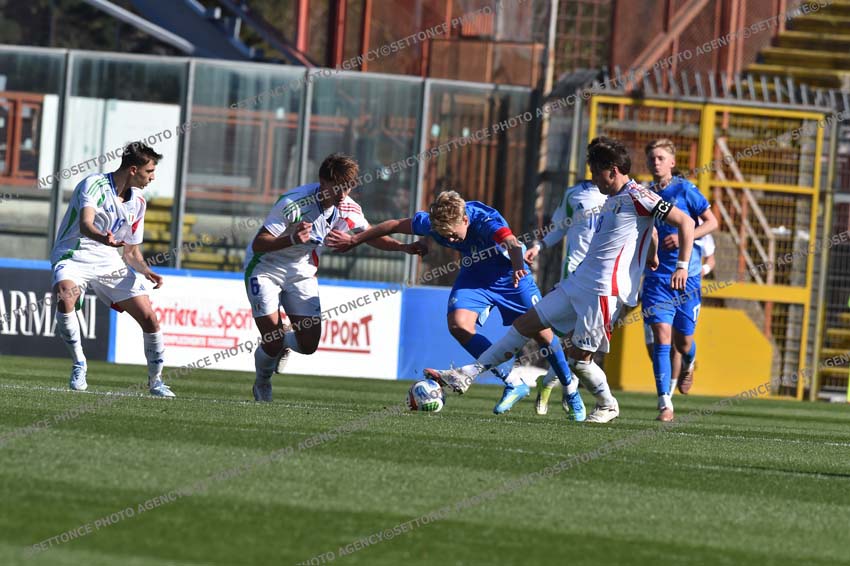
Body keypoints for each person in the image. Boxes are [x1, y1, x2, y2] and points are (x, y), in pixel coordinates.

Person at [424, 136, 695, 424]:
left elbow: (685, 222)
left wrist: (681, 266)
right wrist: (651, 255)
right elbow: (650, 232)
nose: (593, 179)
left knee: (580, 361)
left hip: (604, 291)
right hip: (577, 282)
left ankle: (607, 404)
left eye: (596, 173)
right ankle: (467, 375)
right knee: (524, 324)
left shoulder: (639, 195)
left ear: (613, 170)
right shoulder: (611, 199)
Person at [326, 190, 580, 416]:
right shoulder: (432, 223)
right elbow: (391, 225)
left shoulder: (484, 221)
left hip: (510, 275)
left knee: (543, 334)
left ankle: (570, 389)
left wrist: (517, 268)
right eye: (445, 236)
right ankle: (514, 382)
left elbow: (512, 243)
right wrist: (354, 240)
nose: (452, 240)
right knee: (458, 325)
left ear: (466, 220)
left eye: (454, 234)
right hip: (475, 275)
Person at [245, 153, 423, 402]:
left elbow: (371, 235)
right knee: (272, 341)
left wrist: (403, 247)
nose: (342, 194)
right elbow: (260, 243)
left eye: (348, 187)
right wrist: (292, 238)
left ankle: (286, 340)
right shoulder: (294, 203)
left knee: (309, 345)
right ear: (322, 182)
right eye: (337, 187)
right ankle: (262, 383)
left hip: (301, 271)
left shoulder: (349, 208)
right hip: (265, 268)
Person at [51, 141, 173, 397]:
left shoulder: (138, 202)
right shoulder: (93, 184)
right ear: (133, 170)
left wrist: (146, 270)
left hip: (109, 260)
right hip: (74, 254)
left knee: (149, 318)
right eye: (149, 171)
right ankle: (79, 364)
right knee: (65, 294)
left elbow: (131, 252)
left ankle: (156, 382)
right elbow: (85, 224)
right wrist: (103, 238)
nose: (152, 178)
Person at [642, 140, 718, 421]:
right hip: (656, 278)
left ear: (672, 163)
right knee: (661, 336)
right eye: (652, 158)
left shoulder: (685, 190)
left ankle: (690, 361)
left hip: (688, 277)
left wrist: (687, 235)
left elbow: (712, 222)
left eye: (661, 158)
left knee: (683, 342)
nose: (656, 162)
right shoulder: (644, 194)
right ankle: (665, 403)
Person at [524, 180, 606, 417]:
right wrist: (539, 246)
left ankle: (549, 383)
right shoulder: (574, 193)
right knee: (571, 338)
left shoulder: (625, 194)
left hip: (604, 277)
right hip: (575, 272)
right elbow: (560, 227)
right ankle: (572, 392)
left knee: (584, 344)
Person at [643, 230, 716, 393]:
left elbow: (711, 259)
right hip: (656, 284)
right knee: (654, 346)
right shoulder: (654, 221)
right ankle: (666, 392)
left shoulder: (699, 227)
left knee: (679, 344)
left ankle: (668, 395)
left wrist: (702, 270)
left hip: (686, 287)